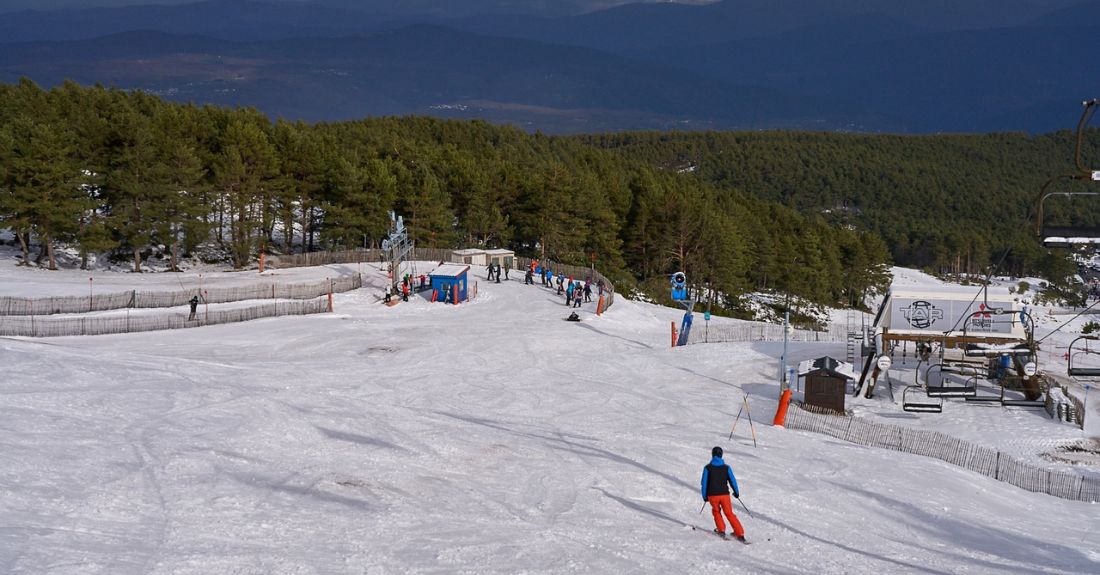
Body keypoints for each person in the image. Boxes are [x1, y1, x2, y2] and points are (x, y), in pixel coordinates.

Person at [700, 446, 746, 541]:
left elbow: (704, 483)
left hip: (712, 495)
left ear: (712, 455)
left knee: (716, 512)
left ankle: (721, 530)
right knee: (729, 513)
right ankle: (739, 533)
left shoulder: (707, 468)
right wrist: (736, 492)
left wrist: (705, 496)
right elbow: (732, 480)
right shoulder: (726, 468)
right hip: (725, 495)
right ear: (721, 455)